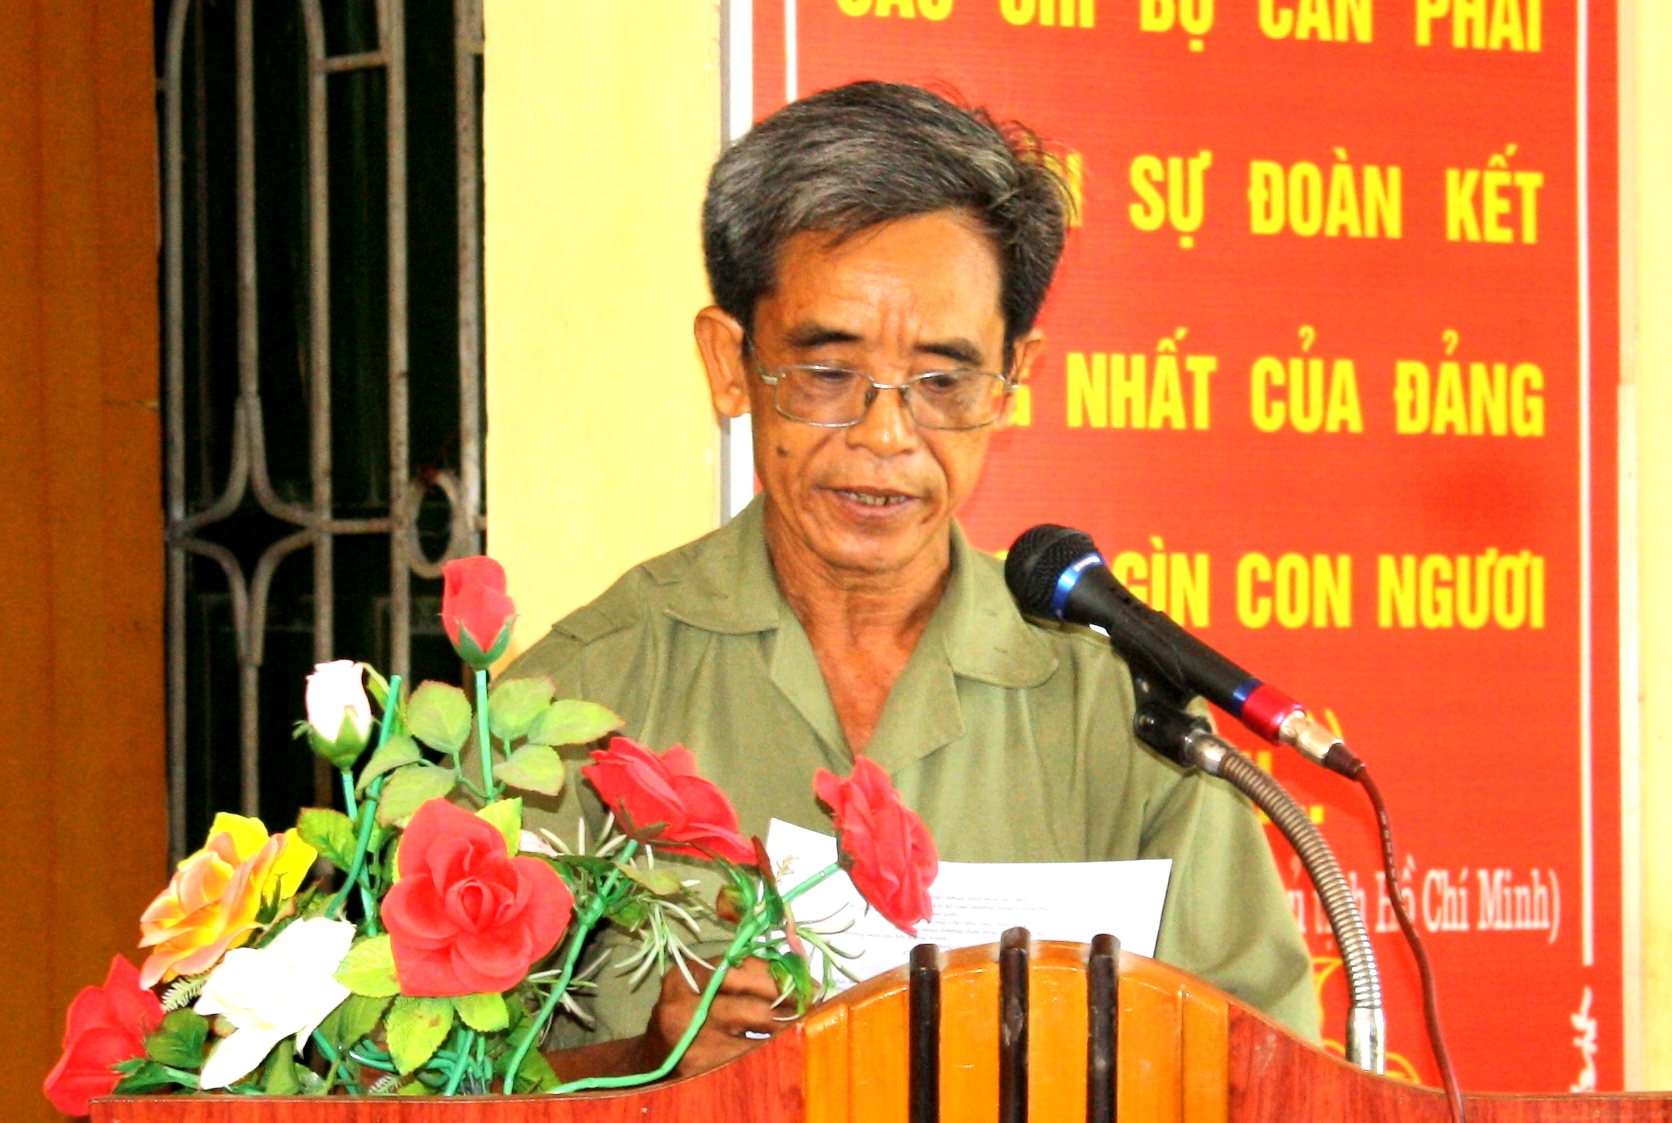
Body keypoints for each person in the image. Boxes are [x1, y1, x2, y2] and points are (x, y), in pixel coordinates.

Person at [507, 80, 1318, 1077]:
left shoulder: (1125, 716)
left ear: (1011, 379)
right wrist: (645, 1067)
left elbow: (1271, 1078)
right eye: (827, 373)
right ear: (729, 362)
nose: (886, 434)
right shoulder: (577, 701)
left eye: (943, 381)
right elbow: (393, 1083)